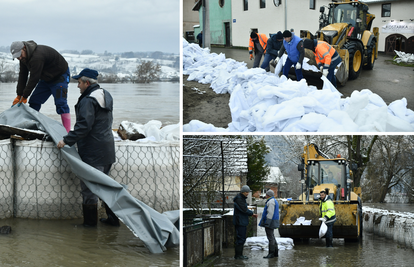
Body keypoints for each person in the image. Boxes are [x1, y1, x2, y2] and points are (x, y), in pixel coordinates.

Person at [57, 68, 119, 227]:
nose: (77, 86)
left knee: (89, 189)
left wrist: (66, 140)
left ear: (86, 82)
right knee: (105, 186)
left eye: (79, 82)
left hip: (93, 151)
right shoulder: (105, 95)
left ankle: (90, 227)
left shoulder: (88, 100)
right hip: (107, 149)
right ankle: (113, 220)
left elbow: (84, 126)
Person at [10, 40, 71, 132]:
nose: (19, 57)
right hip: (46, 77)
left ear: (24, 48)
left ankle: (67, 131)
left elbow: (34, 78)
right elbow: (23, 76)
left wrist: (25, 95)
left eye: (20, 54)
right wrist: (19, 95)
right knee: (34, 101)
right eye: (17, 56)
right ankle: (31, 128)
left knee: (61, 103)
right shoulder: (23, 59)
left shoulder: (37, 56)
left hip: (60, 76)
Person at [233, 185, 258, 260]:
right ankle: (238, 255)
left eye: (248, 192)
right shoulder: (239, 199)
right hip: (240, 221)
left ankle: (239, 255)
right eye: (246, 192)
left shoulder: (241, 198)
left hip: (241, 221)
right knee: (241, 238)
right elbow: (244, 209)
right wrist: (252, 213)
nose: (247, 193)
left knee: (241, 238)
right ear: (242, 192)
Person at [259, 189, 280, 258]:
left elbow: (270, 213)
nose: (265, 196)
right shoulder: (274, 201)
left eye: (266, 195)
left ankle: (271, 253)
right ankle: (275, 253)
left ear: (268, 195)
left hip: (270, 221)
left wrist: (267, 223)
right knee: (272, 237)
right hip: (273, 221)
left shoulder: (270, 202)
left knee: (270, 238)